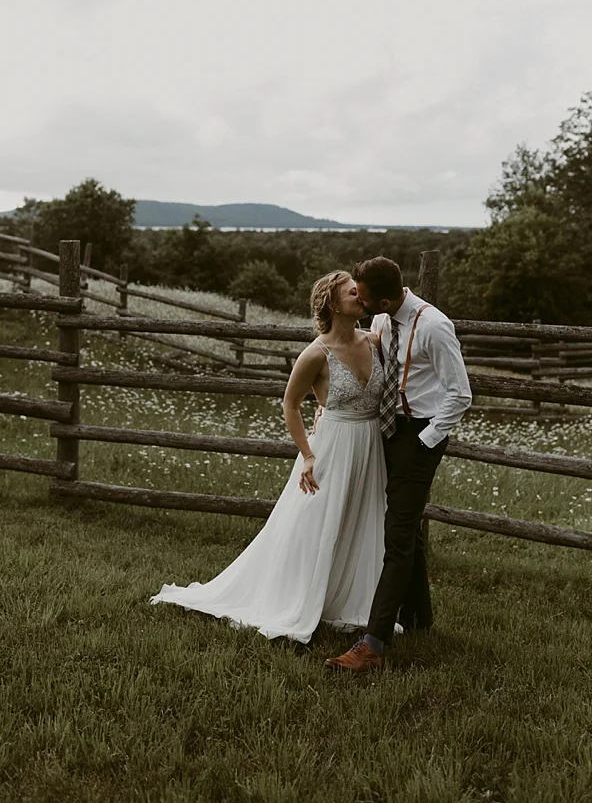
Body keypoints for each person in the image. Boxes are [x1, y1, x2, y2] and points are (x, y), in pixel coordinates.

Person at [149, 270, 389, 644]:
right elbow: (290, 405)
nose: (362, 297)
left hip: (370, 446)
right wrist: (307, 456)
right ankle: (295, 598)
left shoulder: (376, 341)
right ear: (332, 303)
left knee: (358, 518)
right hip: (331, 447)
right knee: (313, 525)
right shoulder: (316, 353)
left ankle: (347, 600)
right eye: (353, 292)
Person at [324, 256, 471, 673]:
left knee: (397, 533)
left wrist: (424, 442)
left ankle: (372, 642)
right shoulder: (384, 322)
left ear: (386, 299)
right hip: (387, 429)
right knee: (407, 527)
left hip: (421, 435)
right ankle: (420, 618)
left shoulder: (435, 327)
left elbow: (460, 394)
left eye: (366, 300)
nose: (361, 304)